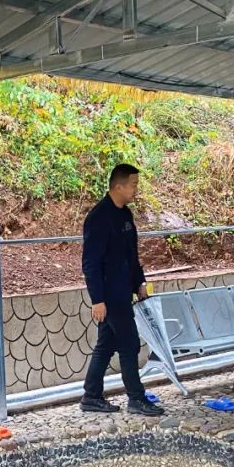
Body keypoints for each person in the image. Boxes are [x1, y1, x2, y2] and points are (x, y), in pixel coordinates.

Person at [80, 164, 163, 416]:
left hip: (125, 290)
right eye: (133, 185)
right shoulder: (98, 218)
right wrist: (97, 299)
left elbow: (132, 254)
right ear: (118, 186)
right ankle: (136, 398)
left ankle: (91, 396)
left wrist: (140, 283)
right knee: (129, 344)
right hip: (109, 295)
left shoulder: (125, 215)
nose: (136, 190)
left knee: (106, 345)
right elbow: (90, 263)